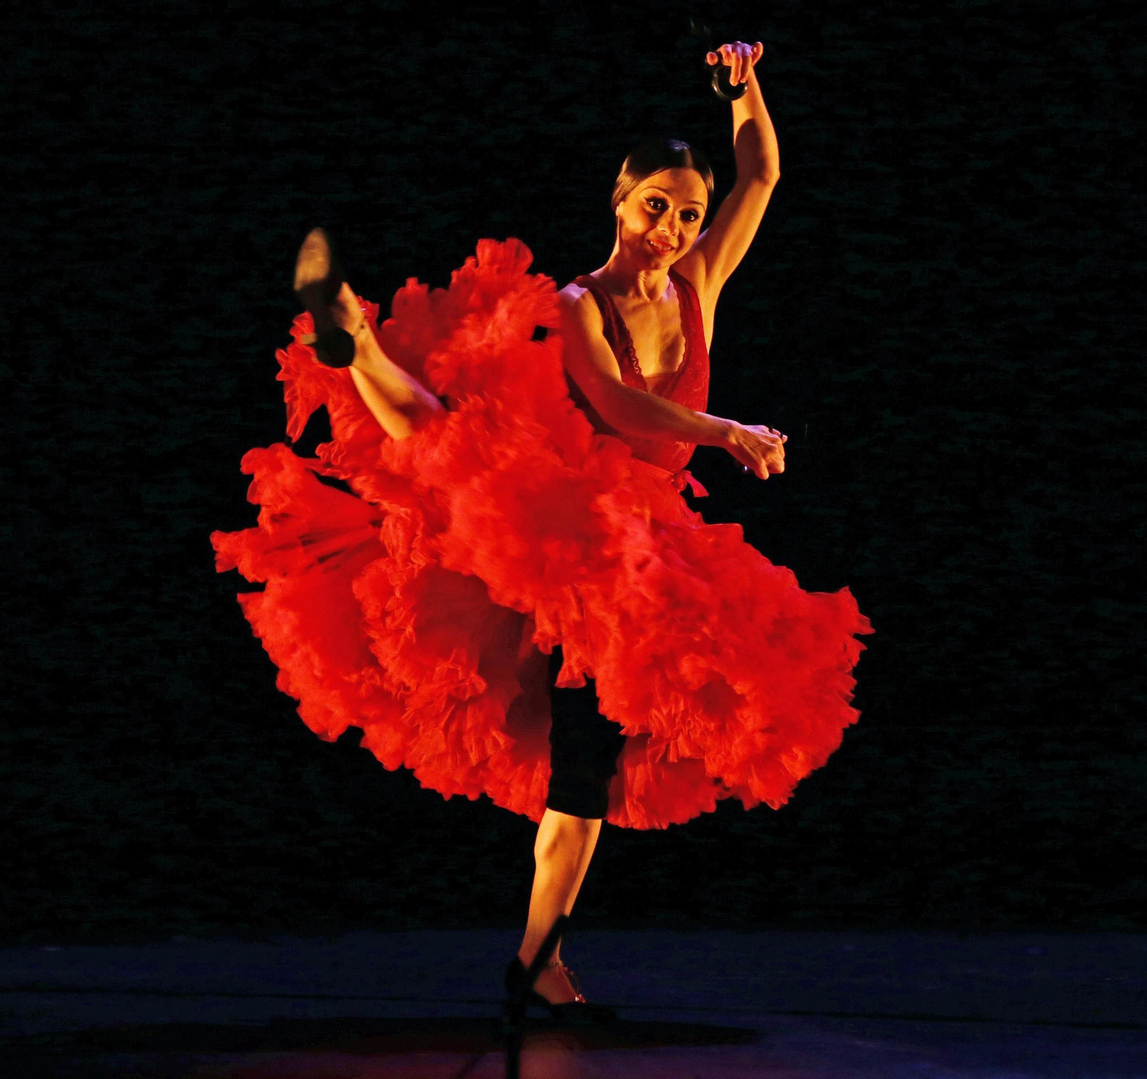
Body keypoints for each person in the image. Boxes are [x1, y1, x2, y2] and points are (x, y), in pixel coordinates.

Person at [212, 40, 872, 1023]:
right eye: (656, 207)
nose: (674, 228)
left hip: (653, 543)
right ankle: (352, 347)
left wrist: (744, 87)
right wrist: (724, 429)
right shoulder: (578, 301)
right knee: (449, 452)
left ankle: (538, 958)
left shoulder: (700, 280)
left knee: (590, 766)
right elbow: (618, 407)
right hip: (578, 528)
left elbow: (763, 169)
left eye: (689, 213)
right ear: (619, 200)